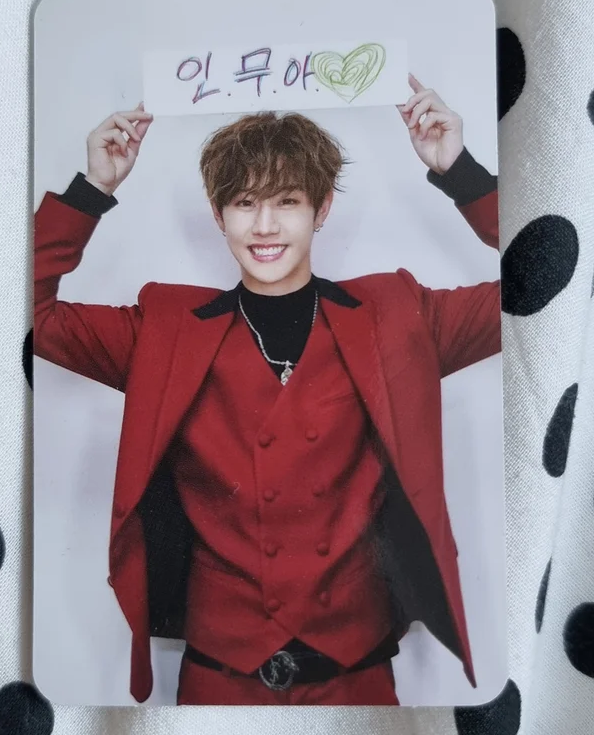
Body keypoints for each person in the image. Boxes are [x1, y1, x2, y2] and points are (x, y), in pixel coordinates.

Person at [33, 74, 500, 706]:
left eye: (287, 201)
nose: (265, 225)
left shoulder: (397, 314)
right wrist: (92, 189)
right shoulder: (163, 329)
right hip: (218, 676)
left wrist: (461, 172)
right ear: (217, 213)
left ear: (322, 209)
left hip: (357, 674)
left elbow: (541, 290)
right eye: (245, 203)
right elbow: (23, 310)